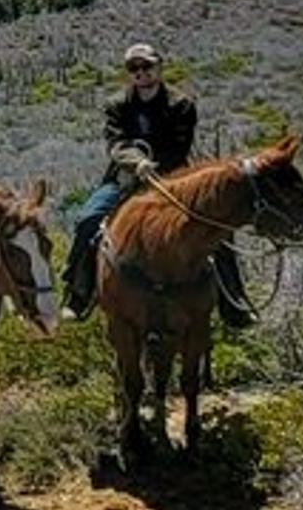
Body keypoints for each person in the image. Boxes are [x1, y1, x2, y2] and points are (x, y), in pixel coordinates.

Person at [62, 42, 254, 328]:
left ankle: (233, 301)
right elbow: (116, 144)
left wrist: (156, 167)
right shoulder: (117, 105)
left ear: (158, 68)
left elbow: (179, 146)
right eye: (134, 68)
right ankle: (78, 294)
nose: (141, 73)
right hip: (126, 177)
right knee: (89, 220)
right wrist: (137, 163)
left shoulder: (181, 105)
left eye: (146, 66)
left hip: (175, 179)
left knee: (216, 228)